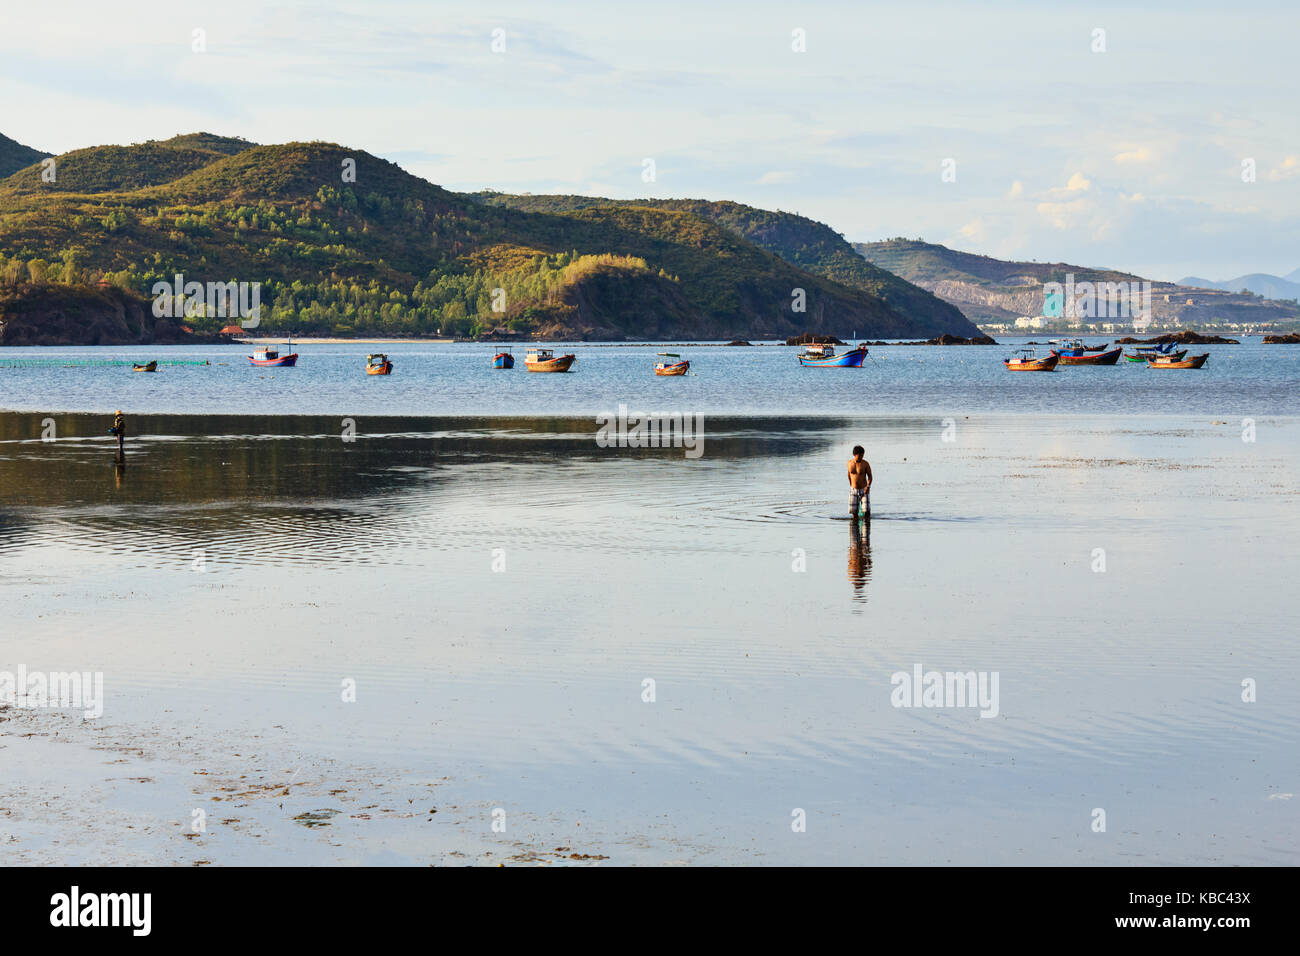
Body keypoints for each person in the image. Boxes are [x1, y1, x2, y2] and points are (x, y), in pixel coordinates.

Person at [847, 444, 872, 519]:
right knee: (854, 513)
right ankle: (855, 528)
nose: (861, 457)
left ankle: (866, 528)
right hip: (853, 490)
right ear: (854, 454)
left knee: (866, 511)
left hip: (864, 490)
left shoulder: (865, 464)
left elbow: (870, 476)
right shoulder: (849, 463)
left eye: (862, 455)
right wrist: (851, 485)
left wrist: (868, 487)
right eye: (860, 455)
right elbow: (849, 474)